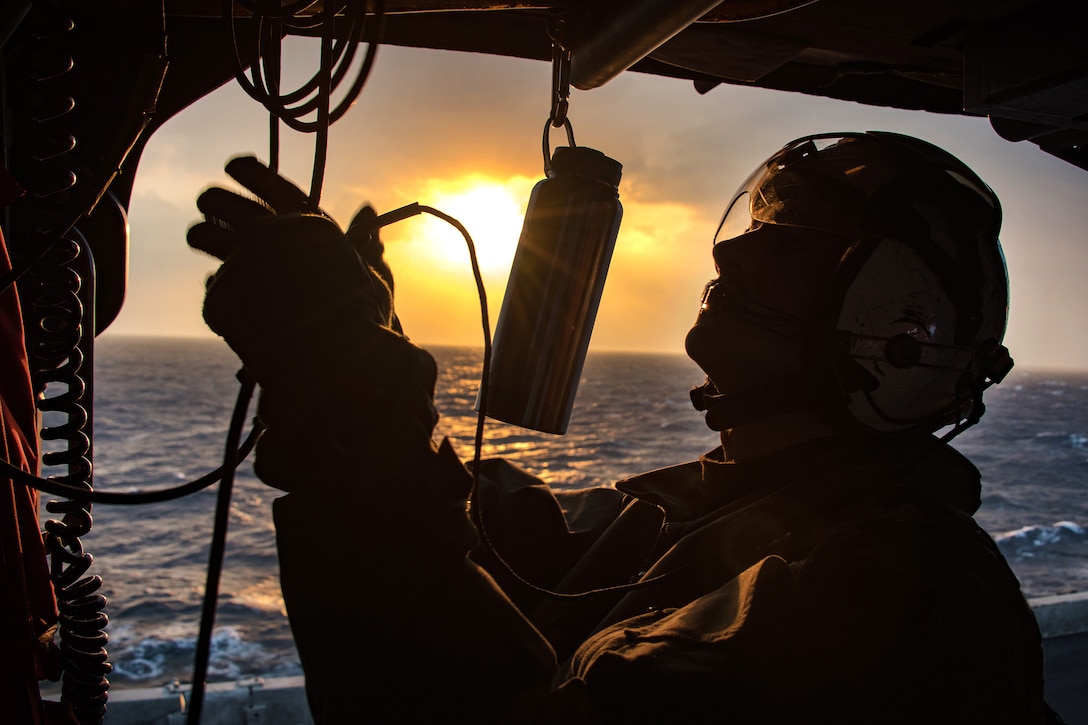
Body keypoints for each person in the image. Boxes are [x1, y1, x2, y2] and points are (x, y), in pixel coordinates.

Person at [187, 132, 1051, 723]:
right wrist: (361, 353)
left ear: (895, 335)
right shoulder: (690, 505)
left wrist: (354, 390)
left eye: (787, 248)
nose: (729, 256)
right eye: (752, 231)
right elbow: (494, 544)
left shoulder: (890, 592)